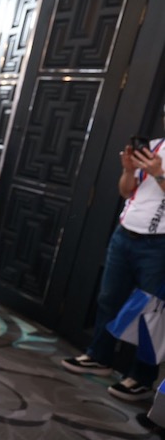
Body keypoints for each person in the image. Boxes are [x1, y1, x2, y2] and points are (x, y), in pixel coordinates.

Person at [62, 107, 165, 401]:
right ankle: (99, 356)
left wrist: (159, 174)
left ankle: (141, 377)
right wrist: (129, 170)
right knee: (109, 298)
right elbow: (126, 191)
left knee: (150, 313)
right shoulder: (154, 147)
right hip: (125, 233)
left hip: (159, 244)